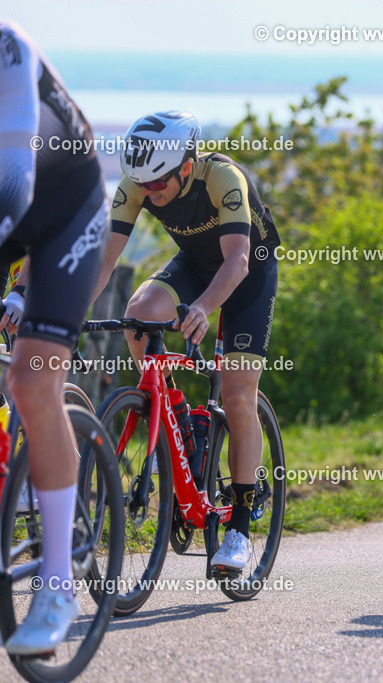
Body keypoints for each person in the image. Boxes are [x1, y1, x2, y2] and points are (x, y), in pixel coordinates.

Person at [92, 110, 281, 571]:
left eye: (160, 184)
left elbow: (236, 261)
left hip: (247, 272)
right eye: (145, 185)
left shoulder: (223, 177)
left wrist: (203, 308)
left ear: (186, 165)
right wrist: (67, 315)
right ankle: (177, 423)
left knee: (238, 396)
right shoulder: (140, 179)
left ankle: (238, 524)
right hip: (196, 263)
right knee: (138, 315)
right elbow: (104, 257)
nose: (151, 192)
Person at [0, 21, 110, 654]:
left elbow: (13, 188)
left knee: (32, 379)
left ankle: (58, 583)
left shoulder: (9, 48)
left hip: (64, 216)